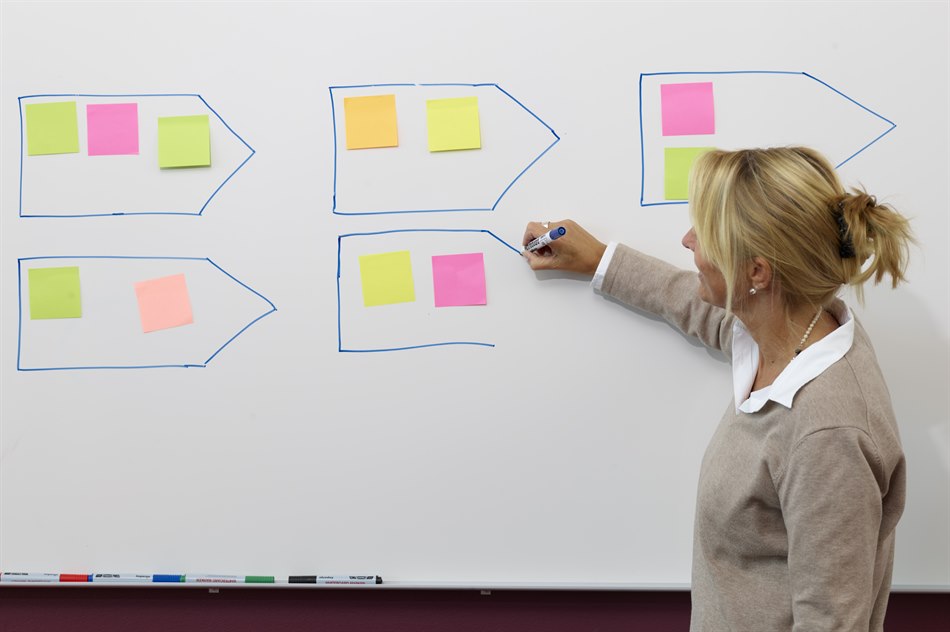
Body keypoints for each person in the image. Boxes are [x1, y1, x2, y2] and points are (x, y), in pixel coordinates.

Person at [522, 147, 914, 632]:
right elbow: (699, 307)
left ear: (756, 273)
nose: (687, 240)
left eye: (705, 233)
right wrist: (601, 260)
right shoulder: (797, 329)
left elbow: (831, 622)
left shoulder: (828, 434)